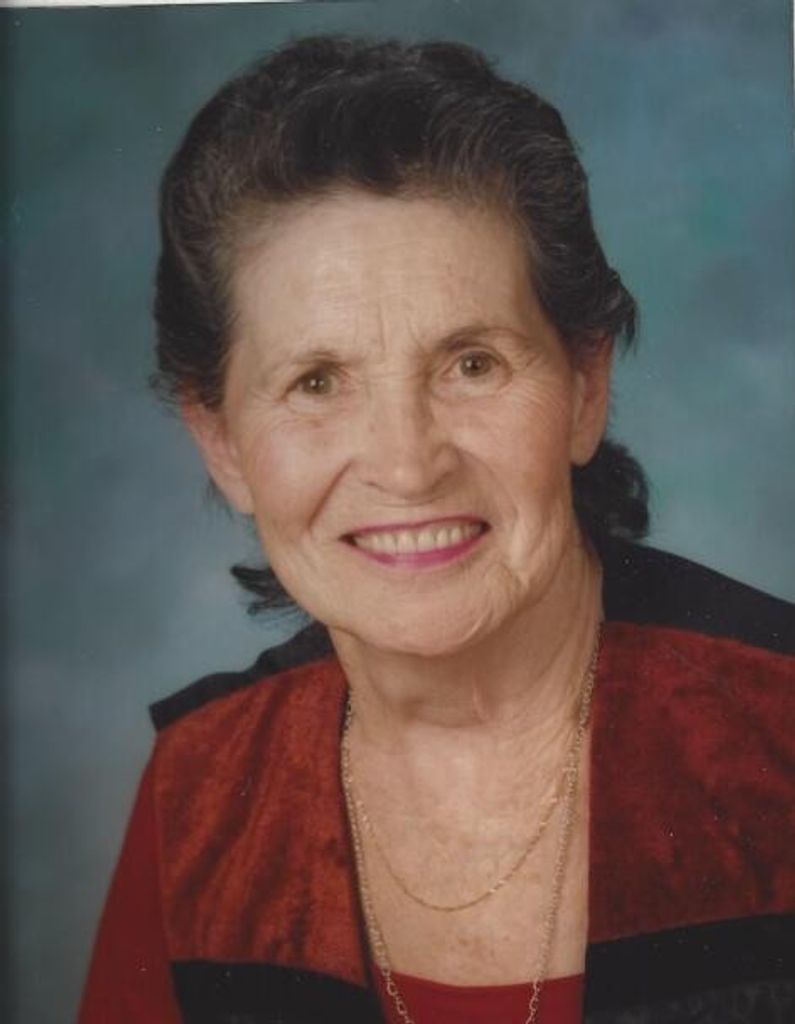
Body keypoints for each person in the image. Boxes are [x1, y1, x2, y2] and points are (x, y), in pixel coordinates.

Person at [78, 35, 794, 1024]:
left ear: (585, 387)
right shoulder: (199, 795)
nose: (408, 465)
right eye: (316, 383)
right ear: (223, 442)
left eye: (471, 364)